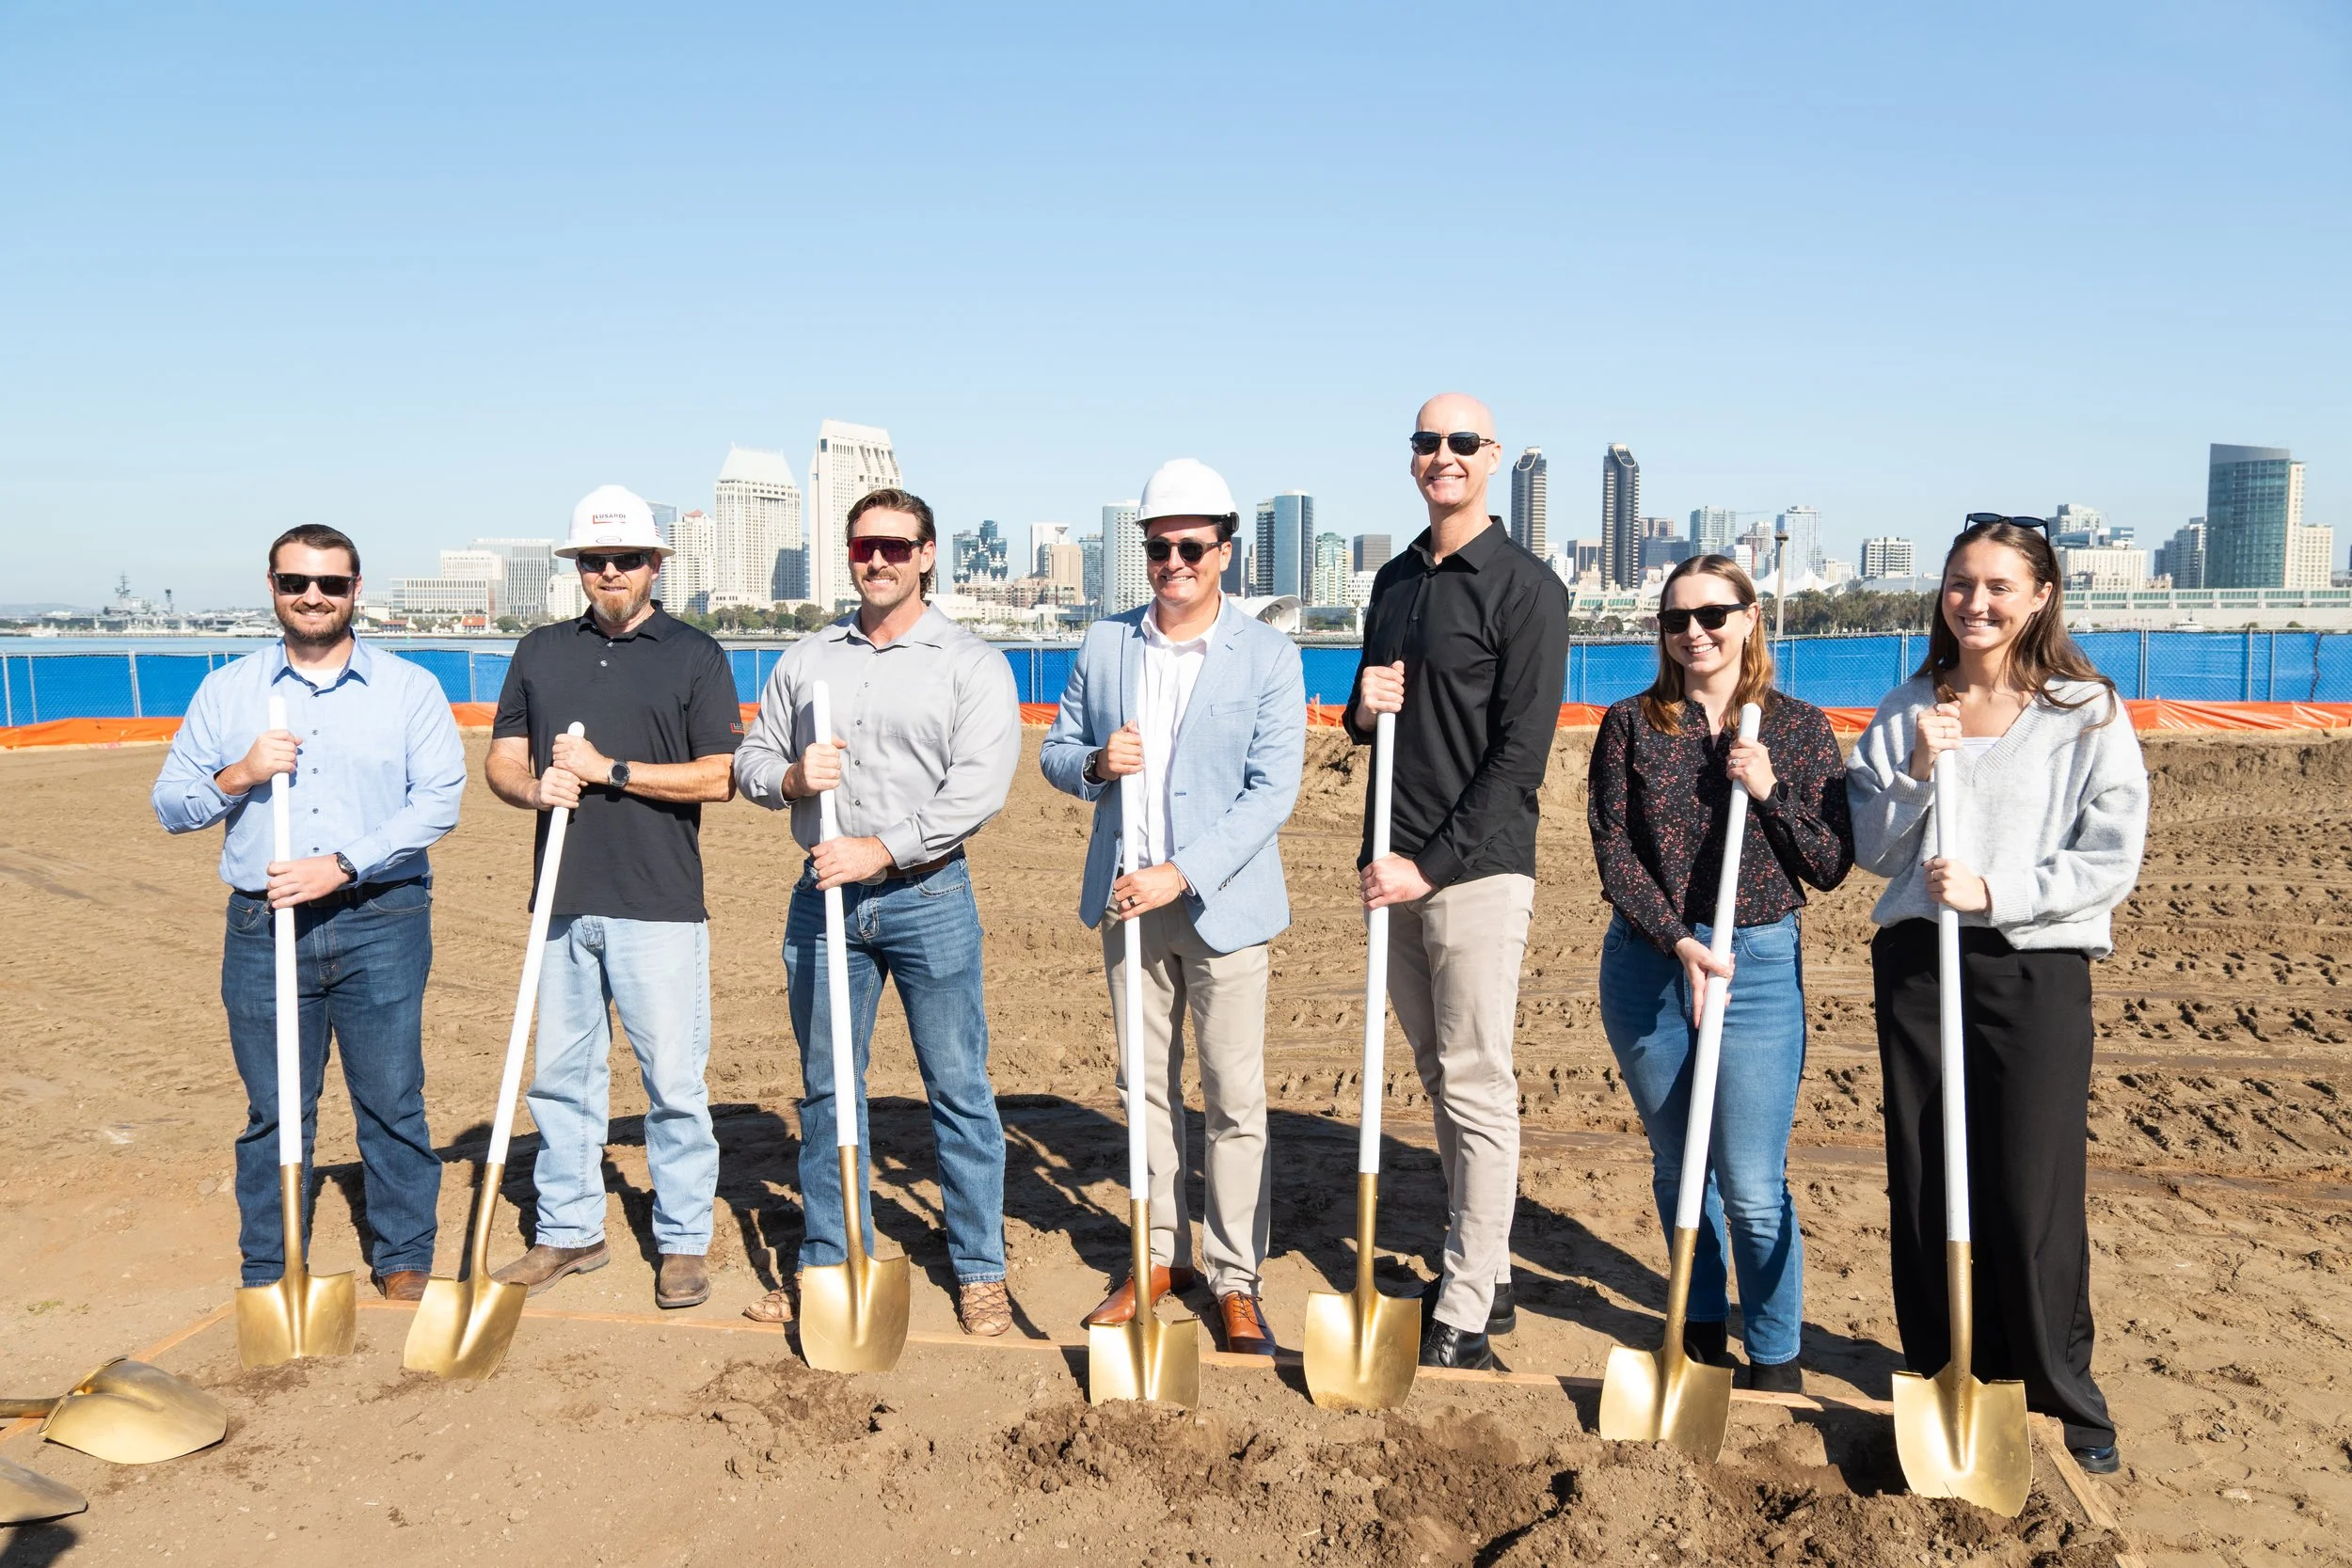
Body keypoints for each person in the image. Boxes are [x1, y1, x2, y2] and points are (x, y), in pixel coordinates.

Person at [1848, 515, 2148, 1476]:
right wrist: (1917, 771)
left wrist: (1998, 891)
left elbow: (2111, 855)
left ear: (2040, 596)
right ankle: (1945, 1371)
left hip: (2032, 964)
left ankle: (2062, 1390)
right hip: (1917, 968)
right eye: (1959, 582)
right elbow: (1867, 847)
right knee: (1928, 1175)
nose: (1974, 602)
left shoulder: (2083, 710)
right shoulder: (1907, 704)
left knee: (2030, 1184)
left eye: (1997, 586)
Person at [735, 487, 1022, 1338]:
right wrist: (789, 779)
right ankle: (829, 1261)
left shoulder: (970, 663)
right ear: (849, 554)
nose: (880, 560)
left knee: (959, 1089)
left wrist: (883, 848)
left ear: (929, 553)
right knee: (829, 1092)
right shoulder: (806, 659)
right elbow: (753, 756)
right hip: (823, 894)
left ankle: (978, 1267)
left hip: (927, 895)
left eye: (897, 545)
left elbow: (978, 790)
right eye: (865, 546)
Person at [153, 525, 465, 1303]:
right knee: (275, 1107)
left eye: (329, 583)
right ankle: (271, 1263)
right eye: (296, 582)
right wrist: (242, 772)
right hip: (266, 926)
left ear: (357, 589)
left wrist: (342, 864)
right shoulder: (228, 691)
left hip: (380, 915)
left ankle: (403, 1253)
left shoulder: (409, 688)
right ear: (273, 588)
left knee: (392, 1098)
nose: (312, 596)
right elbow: (171, 805)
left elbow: (437, 803)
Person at [1041, 458, 1307, 1358]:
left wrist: (1181, 873)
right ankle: (1157, 1258)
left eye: (1192, 546)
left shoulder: (1268, 654)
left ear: (1224, 551)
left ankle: (1236, 1279)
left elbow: (1272, 794)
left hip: (1221, 905)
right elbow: (1056, 750)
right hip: (1126, 905)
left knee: (1234, 1098)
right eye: (1159, 547)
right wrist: (1092, 764)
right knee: (1142, 1091)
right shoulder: (1105, 644)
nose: (1174, 562)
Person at [1587, 554, 1852, 1394]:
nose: (1694, 632)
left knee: (1751, 1184)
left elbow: (1829, 861)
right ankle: (1698, 1335)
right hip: (1652, 963)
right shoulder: (1631, 724)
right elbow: (1615, 854)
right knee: (1678, 1167)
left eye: (1712, 614)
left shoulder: (1800, 727)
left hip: (1757, 962)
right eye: (1676, 619)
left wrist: (1769, 788)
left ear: (1748, 618)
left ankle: (1775, 1357)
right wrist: (1676, 940)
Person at [1345, 393, 1570, 1370]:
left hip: (1473, 872)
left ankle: (1468, 1300)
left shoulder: (1527, 587)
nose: (1443, 456)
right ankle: (1492, 1262)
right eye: (1427, 442)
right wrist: (1359, 706)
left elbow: (1521, 758)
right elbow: (1372, 718)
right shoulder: (1395, 578)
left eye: (1462, 443)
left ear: (1494, 458)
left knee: (1477, 1080)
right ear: (1413, 460)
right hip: (1388, 869)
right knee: (1439, 1075)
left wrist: (1426, 864)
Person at [485, 484, 741, 1310]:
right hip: (561, 899)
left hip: (659, 904)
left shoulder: (695, 655)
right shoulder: (540, 651)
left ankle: (682, 1241)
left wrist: (611, 772)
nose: (609, 573)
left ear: (654, 564)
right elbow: (502, 758)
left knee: (673, 1080)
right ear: (578, 569)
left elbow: (721, 777)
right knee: (560, 1077)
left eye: (626, 559)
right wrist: (534, 791)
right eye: (594, 561)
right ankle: (568, 1228)